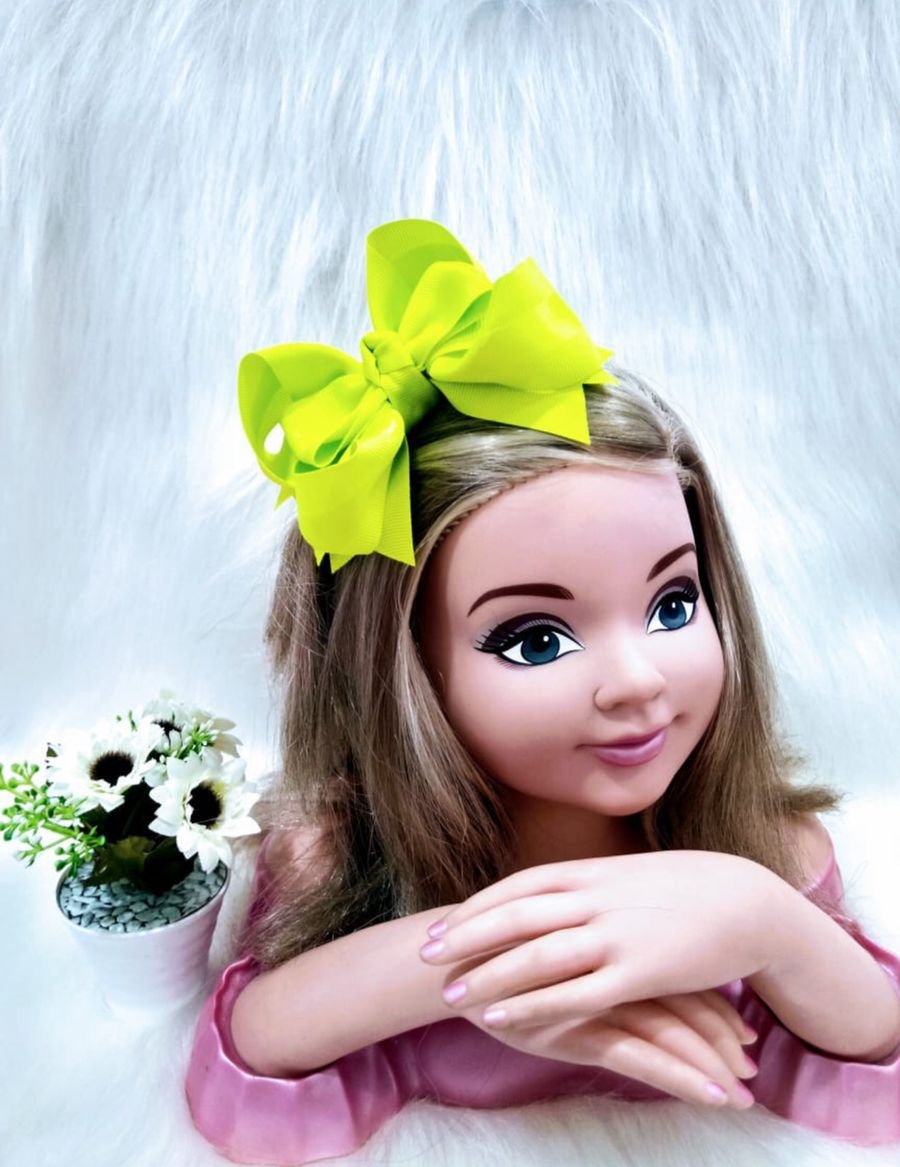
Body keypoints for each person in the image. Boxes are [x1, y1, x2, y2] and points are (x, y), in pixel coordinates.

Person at [186, 220, 900, 1164]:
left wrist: (761, 917)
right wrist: (486, 967)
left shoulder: (764, 850)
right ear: (399, 672)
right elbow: (248, 1073)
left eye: (674, 603)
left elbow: (875, 1065)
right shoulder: (338, 858)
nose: (639, 680)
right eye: (536, 640)